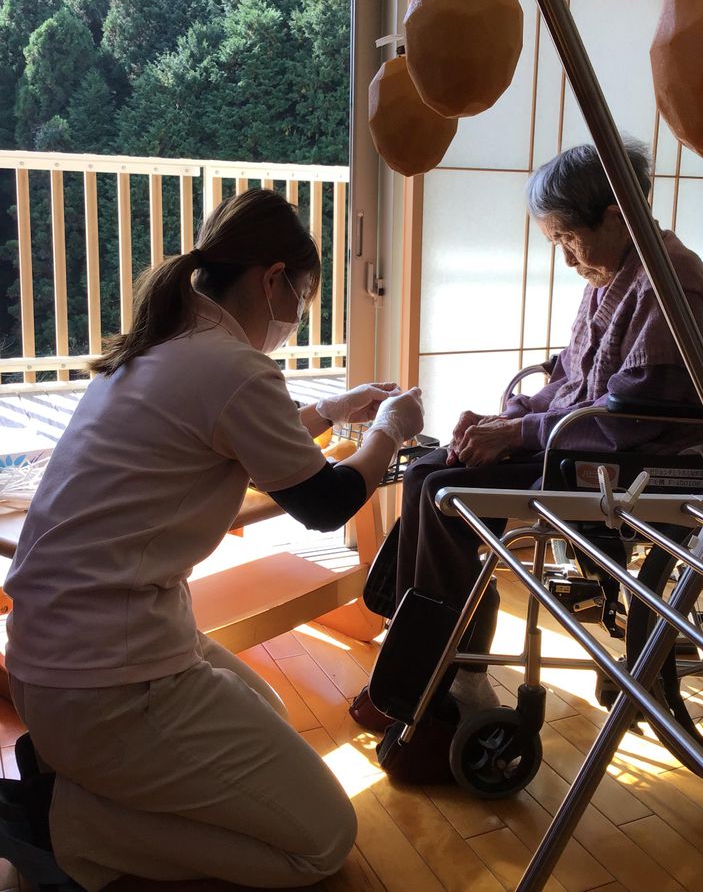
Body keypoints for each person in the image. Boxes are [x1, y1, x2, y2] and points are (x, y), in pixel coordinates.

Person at [4, 187, 424, 890]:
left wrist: (332, 408)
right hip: (105, 680)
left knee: (267, 710)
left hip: (64, 655)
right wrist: (389, 431)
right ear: (272, 279)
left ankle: (73, 775)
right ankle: (70, 823)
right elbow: (324, 503)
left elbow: (238, 433)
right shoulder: (230, 366)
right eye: (301, 297)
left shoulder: (167, 347)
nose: (296, 316)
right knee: (323, 842)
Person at [360, 140, 703, 722]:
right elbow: (569, 379)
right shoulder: (612, 273)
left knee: (446, 490)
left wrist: (517, 435)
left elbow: (631, 417)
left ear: (615, 216)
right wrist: (507, 420)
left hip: (646, 453)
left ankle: (450, 673)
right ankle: (415, 643)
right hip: (588, 434)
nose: (565, 259)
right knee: (427, 469)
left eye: (567, 238)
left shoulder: (668, 281)